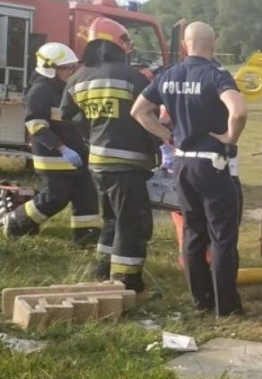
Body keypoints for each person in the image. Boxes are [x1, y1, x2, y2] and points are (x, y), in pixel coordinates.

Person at [131, 21, 247, 317]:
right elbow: (239, 111)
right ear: (214, 43)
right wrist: (230, 138)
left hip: (182, 162)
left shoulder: (167, 75)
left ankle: (200, 300)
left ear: (184, 44)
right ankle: (226, 306)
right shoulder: (216, 75)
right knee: (222, 236)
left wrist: (166, 136)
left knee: (194, 233)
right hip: (213, 164)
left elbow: (138, 111)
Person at [61, 17, 156, 293]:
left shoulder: (78, 78)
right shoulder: (132, 77)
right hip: (127, 164)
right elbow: (147, 113)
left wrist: (93, 128)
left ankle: (103, 267)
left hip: (98, 163)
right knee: (131, 223)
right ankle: (126, 281)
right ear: (119, 43)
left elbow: (68, 116)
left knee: (112, 219)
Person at [0, 43, 99, 244]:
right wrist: (62, 149)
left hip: (75, 152)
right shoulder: (40, 91)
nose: (72, 71)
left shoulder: (65, 89)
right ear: (49, 67)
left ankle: (86, 237)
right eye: (66, 67)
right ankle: (17, 222)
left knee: (86, 195)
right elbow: (35, 125)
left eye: (73, 66)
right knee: (55, 198)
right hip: (53, 156)